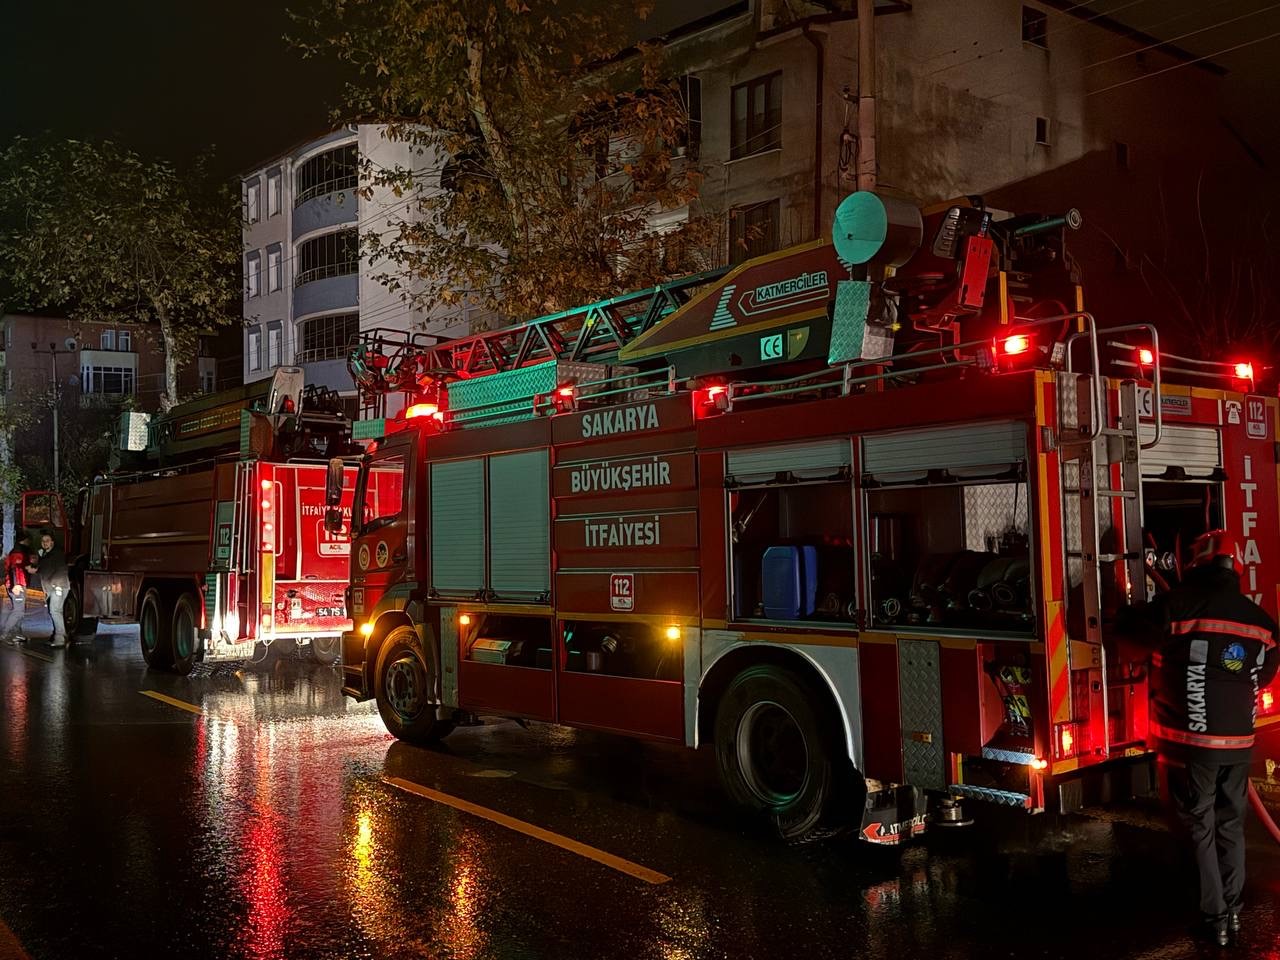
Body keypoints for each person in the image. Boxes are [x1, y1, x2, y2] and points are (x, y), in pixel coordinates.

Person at [1127, 529, 1280, 945]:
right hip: (1240, 744)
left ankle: (1214, 918)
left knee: (1199, 826)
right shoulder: (1262, 622)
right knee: (1231, 826)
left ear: (1197, 562)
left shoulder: (1178, 606)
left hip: (1192, 746)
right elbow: (1262, 675)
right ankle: (1231, 911)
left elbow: (1132, 634)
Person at [0, 532, 36, 645]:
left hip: (18, 584)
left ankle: (16, 633)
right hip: (17, 585)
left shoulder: (18, 551)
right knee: (19, 611)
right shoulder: (18, 552)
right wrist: (17, 585)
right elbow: (15, 569)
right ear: (24, 540)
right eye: (28, 540)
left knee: (19, 610)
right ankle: (5, 634)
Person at [37, 530, 71, 648]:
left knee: (55, 611)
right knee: (56, 612)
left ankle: (60, 638)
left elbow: (61, 570)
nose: (45, 543)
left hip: (58, 587)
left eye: (47, 541)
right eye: (43, 541)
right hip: (52, 588)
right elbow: (45, 570)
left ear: (52, 542)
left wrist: (56, 586)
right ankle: (60, 636)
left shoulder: (57, 554)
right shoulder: (45, 554)